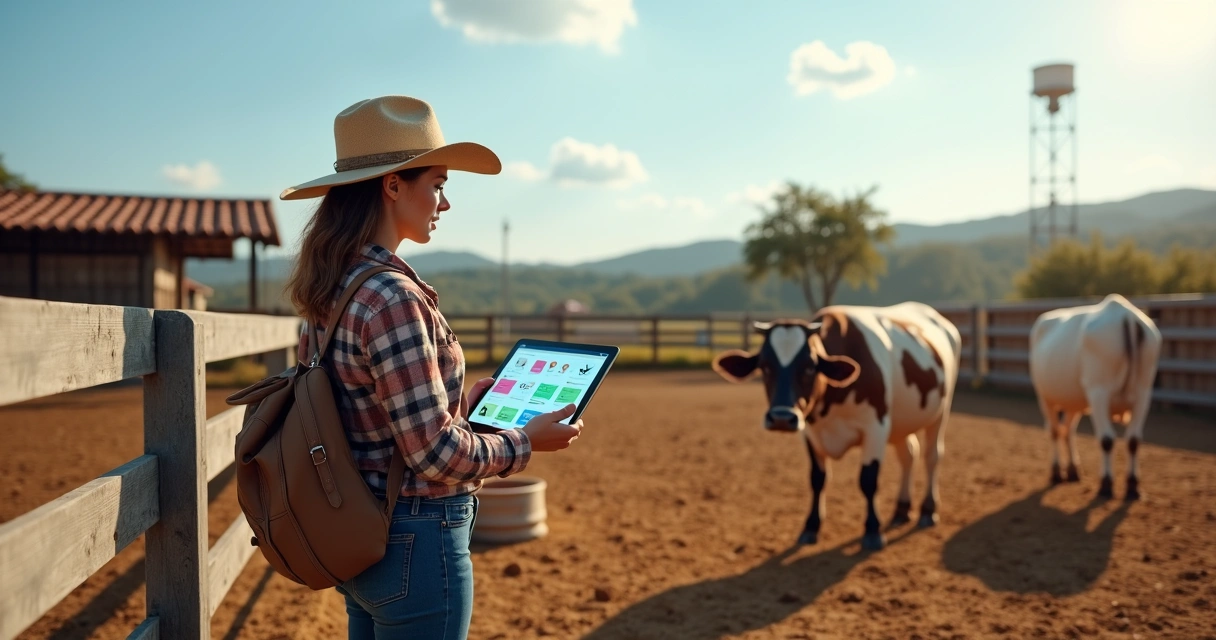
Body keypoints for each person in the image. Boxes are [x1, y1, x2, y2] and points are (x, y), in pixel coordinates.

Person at [282, 95, 583, 639]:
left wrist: (457, 409)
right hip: (417, 539)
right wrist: (526, 440)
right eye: (438, 183)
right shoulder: (392, 296)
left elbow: (365, 412)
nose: (444, 202)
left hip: (360, 535)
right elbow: (433, 455)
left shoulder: (334, 289)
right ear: (393, 185)